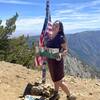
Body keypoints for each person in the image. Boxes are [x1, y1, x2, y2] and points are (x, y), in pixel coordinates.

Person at [46, 20, 76, 100]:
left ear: (60, 29)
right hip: (50, 61)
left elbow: (66, 50)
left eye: (56, 26)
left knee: (59, 81)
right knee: (55, 79)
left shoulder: (60, 38)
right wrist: (43, 51)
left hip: (57, 62)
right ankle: (57, 95)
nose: (54, 27)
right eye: (53, 25)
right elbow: (48, 48)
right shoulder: (50, 36)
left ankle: (69, 96)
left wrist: (61, 54)